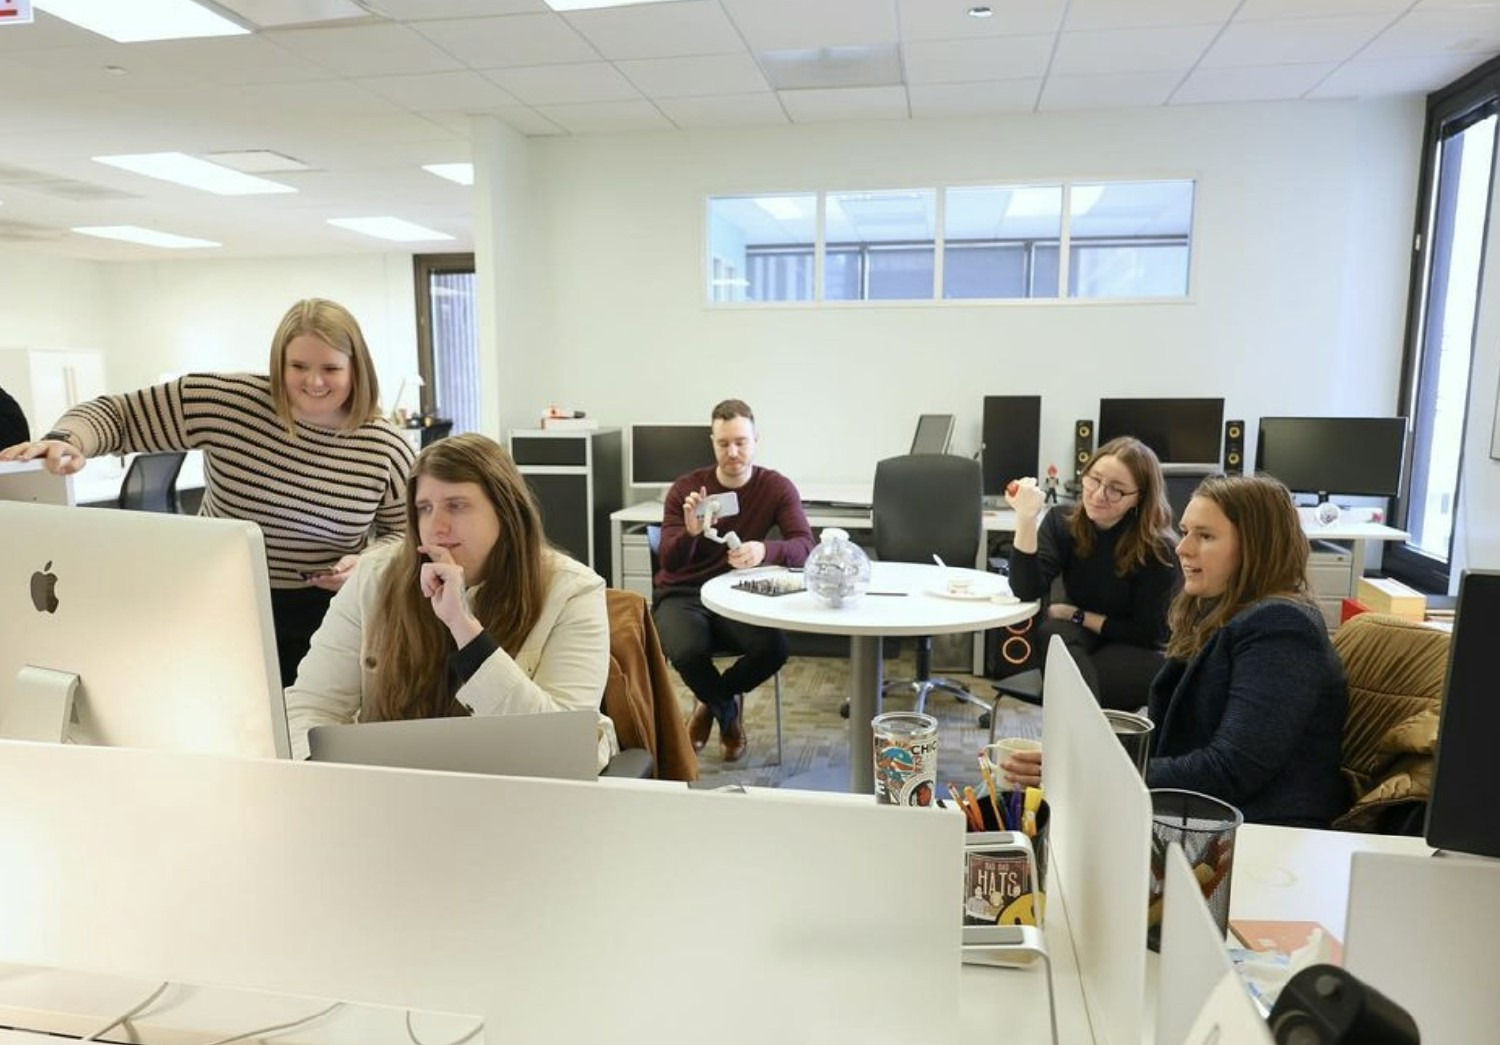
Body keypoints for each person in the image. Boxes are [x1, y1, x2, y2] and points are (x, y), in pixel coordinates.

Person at [0, 299, 415, 686]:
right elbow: (118, 415)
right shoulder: (226, 403)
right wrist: (68, 439)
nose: (314, 381)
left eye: (331, 368)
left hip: (327, 614)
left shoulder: (385, 447)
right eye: (298, 366)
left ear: (356, 368)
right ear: (278, 364)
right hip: (224, 598)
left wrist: (367, 563)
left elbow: (405, 538)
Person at [1002, 474, 1349, 828]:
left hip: (1261, 831)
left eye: (1206, 536)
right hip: (1206, 814)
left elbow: (1231, 769)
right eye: (1185, 532)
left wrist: (1087, 770)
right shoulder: (1221, 611)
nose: (1183, 548)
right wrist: (1078, 759)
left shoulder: (1281, 628)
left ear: (1255, 547)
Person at [284, 434, 617, 769]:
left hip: (517, 790)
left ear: (506, 510)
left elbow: (560, 749)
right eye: (424, 509)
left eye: (456, 505)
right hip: (394, 786)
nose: (436, 527)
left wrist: (465, 629)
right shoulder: (374, 576)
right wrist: (321, 774)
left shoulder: (572, 591)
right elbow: (312, 704)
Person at [652, 399, 814, 762]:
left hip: (739, 593)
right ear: (713, 442)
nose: (733, 452)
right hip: (684, 594)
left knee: (775, 649)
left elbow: (805, 546)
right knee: (687, 652)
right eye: (724, 443)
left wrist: (763, 551)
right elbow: (668, 559)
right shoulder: (686, 490)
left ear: (756, 439)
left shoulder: (775, 487)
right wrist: (691, 532)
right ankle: (728, 712)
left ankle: (709, 703)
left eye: (741, 441)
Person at [1004, 436, 1181, 710]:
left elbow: (1149, 633)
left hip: (1138, 647)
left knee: (1071, 677)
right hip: (1083, 638)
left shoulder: (1159, 549)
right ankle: (1083, 739)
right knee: (1053, 634)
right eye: (1094, 480)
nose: (1098, 495)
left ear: (1139, 498)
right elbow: (1026, 589)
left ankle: (1077, 737)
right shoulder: (1062, 522)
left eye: (1116, 490)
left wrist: (1077, 615)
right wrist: (1025, 518)